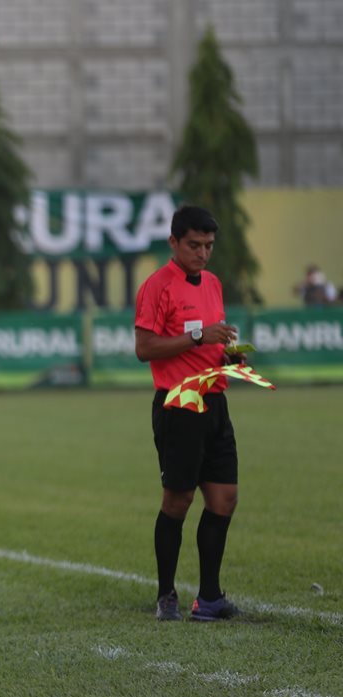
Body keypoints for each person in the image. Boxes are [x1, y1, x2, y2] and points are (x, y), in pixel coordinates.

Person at [135, 205, 243, 623]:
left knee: (224, 498)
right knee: (177, 500)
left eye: (209, 246)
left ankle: (210, 598)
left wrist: (227, 353)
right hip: (179, 405)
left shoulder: (213, 283)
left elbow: (209, 339)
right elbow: (144, 348)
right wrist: (198, 336)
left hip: (215, 403)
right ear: (174, 243)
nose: (202, 253)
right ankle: (166, 596)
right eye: (194, 245)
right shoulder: (157, 287)